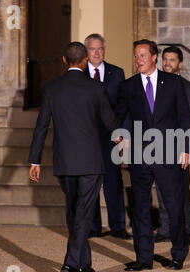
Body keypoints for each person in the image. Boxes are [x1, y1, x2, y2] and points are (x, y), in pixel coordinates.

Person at [28, 42, 120, 272]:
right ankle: (71, 263)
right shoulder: (96, 88)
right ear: (84, 61)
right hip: (90, 161)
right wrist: (120, 136)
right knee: (82, 213)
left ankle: (84, 262)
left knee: (75, 212)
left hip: (64, 161)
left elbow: (41, 126)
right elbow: (110, 122)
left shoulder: (52, 88)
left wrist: (35, 160)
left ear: (64, 60)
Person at [115, 39, 190, 271]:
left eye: (142, 56)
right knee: (140, 208)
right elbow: (122, 116)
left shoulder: (173, 83)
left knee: (173, 205)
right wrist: (120, 134)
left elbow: (184, 117)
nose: (138, 60)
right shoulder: (128, 86)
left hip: (169, 152)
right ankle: (144, 258)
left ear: (154, 57)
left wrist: (185, 148)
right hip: (139, 155)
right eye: (136, 56)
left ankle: (178, 254)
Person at [83, 33, 131, 240]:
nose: (97, 53)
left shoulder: (117, 73)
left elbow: (124, 105)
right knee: (90, 182)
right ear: (86, 52)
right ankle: (93, 226)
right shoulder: (78, 74)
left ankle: (118, 225)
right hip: (86, 139)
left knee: (113, 182)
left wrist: (122, 132)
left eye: (100, 48)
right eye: (93, 49)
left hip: (111, 137)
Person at [155, 46, 190, 245]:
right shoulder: (153, 85)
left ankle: (186, 229)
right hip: (156, 144)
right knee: (161, 189)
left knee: (182, 189)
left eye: (172, 60)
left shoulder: (189, 88)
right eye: (165, 59)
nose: (167, 63)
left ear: (180, 64)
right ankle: (165, 229)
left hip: (179, 145)